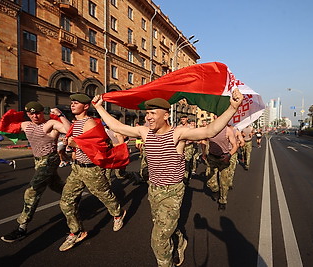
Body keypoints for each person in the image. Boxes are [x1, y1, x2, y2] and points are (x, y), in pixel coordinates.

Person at [92, 88, 243, 267]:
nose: (148, 117)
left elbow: (209, 131)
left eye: (153, 113)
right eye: (147, 113)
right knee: (163, 224)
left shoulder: (177, 134)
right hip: (153, 189)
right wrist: (99, 107)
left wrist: (232, 108)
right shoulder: (144, 132)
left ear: (165, 116)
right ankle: (180, 241)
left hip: (172, 192)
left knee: (159, 239)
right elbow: (117, 127)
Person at [58, 93, 126, 252]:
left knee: (105, 196)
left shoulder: (91, 124)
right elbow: (77, 145)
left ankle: (118, 214)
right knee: (66, 202)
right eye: (72, 102)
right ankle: (76, 231)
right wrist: (72, 148)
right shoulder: (76, 123)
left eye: (76, 103)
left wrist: (77, 144)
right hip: (77, 168)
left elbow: (100, 149)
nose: (72, 105)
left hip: (91, 169)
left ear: (86, 106)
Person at [1, 102, 71, 242]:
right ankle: (73, 196)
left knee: (32, 191)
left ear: (42, 112)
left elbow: (70, 130)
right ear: (27, 114)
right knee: (55, 185)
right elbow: (9, 128)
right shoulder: (26, 125)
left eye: (37, 113)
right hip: (38, 161)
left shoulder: (50, 124)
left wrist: (61, 115)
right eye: (31, 114)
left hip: (50, 159)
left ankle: (22, 227)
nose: (35, 116)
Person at [205, 120, 238, 211]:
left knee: (224, 182)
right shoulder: (210, 128)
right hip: (212, 157)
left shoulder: (228, 130)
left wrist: (229, 155)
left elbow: (235, 145)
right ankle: (215, 190)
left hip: (224, 158)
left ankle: (223, 201)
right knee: (210, 182)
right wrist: (204, 154)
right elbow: (203, 140)